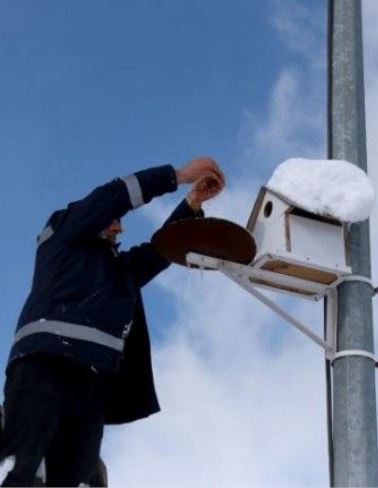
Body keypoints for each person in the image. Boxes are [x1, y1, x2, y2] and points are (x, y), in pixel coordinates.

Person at [0, 157, 224, 486]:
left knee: (72, 473)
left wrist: (190, 204)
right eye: (113, 220)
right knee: (27, 462)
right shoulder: (65, 235)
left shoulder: (119, 271)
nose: (119, 227)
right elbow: (112, 195)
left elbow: (159, 252)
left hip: (92, 383)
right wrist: (175, 177)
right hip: (46, 365)